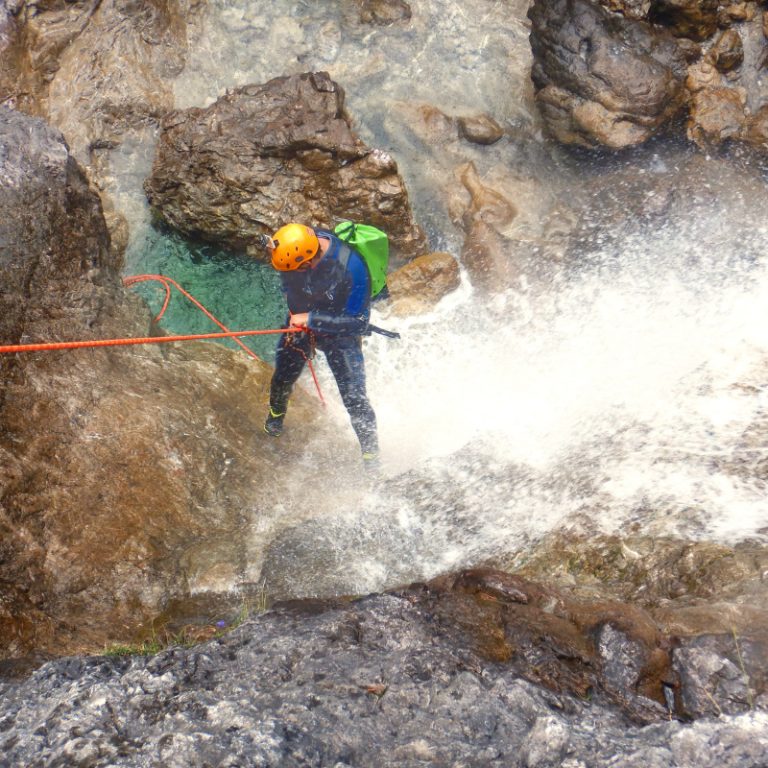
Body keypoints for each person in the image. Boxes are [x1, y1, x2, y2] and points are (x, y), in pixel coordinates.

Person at [262, 222, 380, 470]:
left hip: (341, 333)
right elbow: (290, 280)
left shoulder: (352, 268)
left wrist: (313, 320)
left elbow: (358, 322)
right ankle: (275, 416)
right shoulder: (299, 252)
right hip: (301, 323)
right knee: (283, 377)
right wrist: (300, 317)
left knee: (355, 398)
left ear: (307, 262)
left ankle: (372, 458)